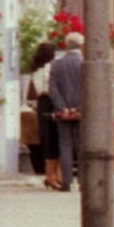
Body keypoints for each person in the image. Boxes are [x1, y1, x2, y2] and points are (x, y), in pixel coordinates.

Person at [49, 31, 84, 192]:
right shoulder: (84, 63)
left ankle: (66, 181)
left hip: (62, 113)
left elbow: (53, 89)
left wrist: (63, 107)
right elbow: (88, 88)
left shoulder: (57, 64)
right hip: (82, 112)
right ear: (81, 45)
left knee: (65, 145)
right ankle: (84, 181)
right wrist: (78, 107)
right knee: (81, 146)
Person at [26, 40, 62, 190]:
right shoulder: (49, 68)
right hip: (49, 101)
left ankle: (53, 174)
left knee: (47, 139)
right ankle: (51, 175)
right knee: (53, 139)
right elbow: (48, 87)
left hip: (42, 104)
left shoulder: (35, 70)